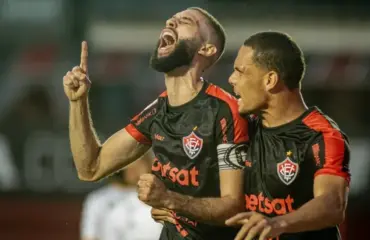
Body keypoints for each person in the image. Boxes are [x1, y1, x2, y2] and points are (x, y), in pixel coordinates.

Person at [63, 7, 249, 240]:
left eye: (186, 21)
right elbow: (90, 168)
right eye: (171, 20)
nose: (171, 22)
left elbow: (233, 206)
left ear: (206, 48)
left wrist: (169, 199)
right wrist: (78, 102)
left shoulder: (225, 111)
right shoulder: (156, 112)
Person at [223, 31, 350, 240]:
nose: (231, 79)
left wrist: (277, 223)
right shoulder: (240, 129)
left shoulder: (321, 136)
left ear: (270, 80)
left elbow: (332, 202)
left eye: (240, 71)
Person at [81, 151, 162, 240]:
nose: (134, 169)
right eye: (130, 164)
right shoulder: (98, 199)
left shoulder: (162, 197)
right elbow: (90, 236)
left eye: (139, 163)